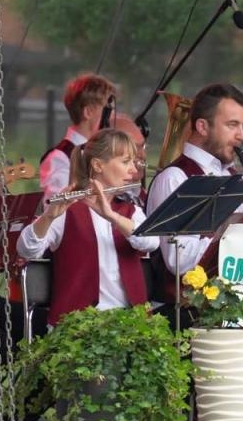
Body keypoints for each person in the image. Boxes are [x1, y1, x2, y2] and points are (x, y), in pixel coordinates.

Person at [145, 83, 243, 300]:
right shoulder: (175, 178)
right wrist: (233, 231)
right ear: (202, 127)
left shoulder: (239, 177)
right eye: (232, 125)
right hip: (192, 318)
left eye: (242, 125)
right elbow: (179, 262)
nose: (241, 135)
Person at [17, 129, 157, 325]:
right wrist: (48, 217)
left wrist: (111, 216)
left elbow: (150, 242)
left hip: (130, 324)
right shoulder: (68, 210)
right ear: (98, 165)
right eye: (126, 162)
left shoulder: (131, 211)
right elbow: (27, 250)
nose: (134, 170)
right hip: (76, 328)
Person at [41, 74, 116, 198]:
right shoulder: (60, 159)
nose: (113, 116)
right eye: (107, 110)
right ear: (88, 112)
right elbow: (57, 210)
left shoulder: (104, 151)